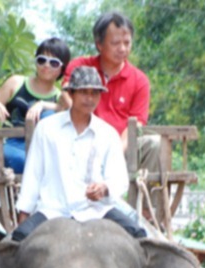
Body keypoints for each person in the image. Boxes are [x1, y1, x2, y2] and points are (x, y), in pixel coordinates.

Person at [11, 66, 148, 242]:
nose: (89, 98)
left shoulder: (108, 133)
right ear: (71, 94)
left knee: (139, 235)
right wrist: (24, 217)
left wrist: (104, 188)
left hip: (96, 211)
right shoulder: (46, 129)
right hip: (52, 210)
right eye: (84, 92)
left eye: (95, 93)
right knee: (18, 239)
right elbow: (33, 175)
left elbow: (119, 179)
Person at [62, 11, 160, 172]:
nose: (122, 48)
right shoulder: (80, 66)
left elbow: (135, 125)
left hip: (120, 148)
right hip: (79, 140)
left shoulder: (140, 80)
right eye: (115, 43)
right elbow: (65, 94)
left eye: (127, 43)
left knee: (154, 143)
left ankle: (146, 196)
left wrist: (114, 151)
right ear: (99, 44)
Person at [0, 37, 71, 174]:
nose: (46, 65)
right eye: (42, 60)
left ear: (62, 69)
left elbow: (72, 113)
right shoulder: (16, 82)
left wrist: (43, 105)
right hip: (9, 149)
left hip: (42, 156)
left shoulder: (60, 97)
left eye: (54, 63)